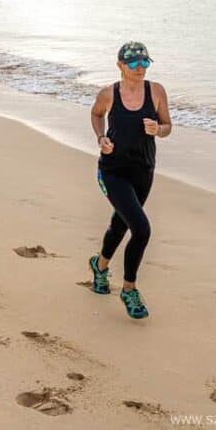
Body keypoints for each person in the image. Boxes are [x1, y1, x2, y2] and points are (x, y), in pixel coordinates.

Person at [88, 41, 172, 319]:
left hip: (143, 170)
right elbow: (96, 114)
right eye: (133, 63)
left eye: (144, 62)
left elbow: (168, 127)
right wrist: (101, 139)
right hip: (112, 171)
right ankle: (129, 289)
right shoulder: (109, 94)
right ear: (120, 66)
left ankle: (99, 267)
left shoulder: (156, 91)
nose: (139, 68)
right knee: (142, 228)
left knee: (121, 224)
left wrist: (158, 129)